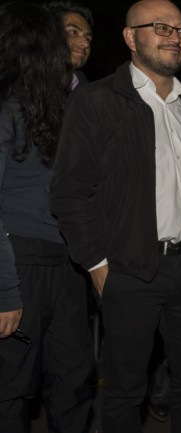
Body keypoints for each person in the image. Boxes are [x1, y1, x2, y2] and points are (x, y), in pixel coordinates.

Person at [49, 1, 181, 432]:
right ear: (130, 37)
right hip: (128, 269)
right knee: (125, 390)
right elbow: (69, 191)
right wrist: (97, 264)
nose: (174, 36)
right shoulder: (97, 99)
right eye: (160, 27)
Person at [0, 2, 95, 433]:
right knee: (12, 386)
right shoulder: (12, 103)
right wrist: (6, 291)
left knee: (73, 380)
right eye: (69, 33)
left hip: (72, 261)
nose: (80, 43)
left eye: (87, 36)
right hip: (21, 259)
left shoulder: (85, 99)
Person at [47, 1, 94, 90]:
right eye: (73, 32)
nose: (86, 44)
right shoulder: (19, 83)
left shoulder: (91, 94)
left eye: (88, 38)